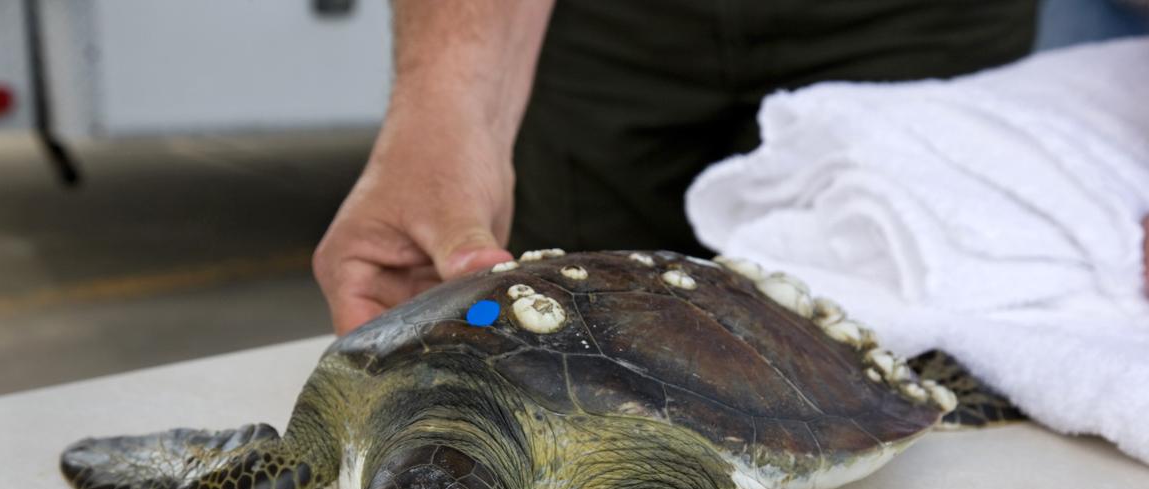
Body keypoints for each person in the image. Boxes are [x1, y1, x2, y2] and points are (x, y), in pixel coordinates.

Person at [313, 0, 1051, 335]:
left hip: (919, 20)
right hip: (611, 25)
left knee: (913, 341)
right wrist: (444, 107)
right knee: (559, 341)